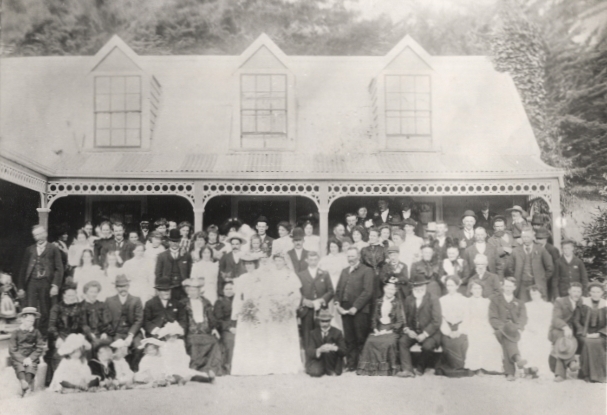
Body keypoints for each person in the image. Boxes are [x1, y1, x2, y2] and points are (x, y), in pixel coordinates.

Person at [232, 253, 303, 375]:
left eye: (251, 264)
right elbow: (238, 297)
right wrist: (239, 311)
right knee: (247, 338)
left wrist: (263, 307)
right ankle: (244, 368)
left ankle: (269, 366)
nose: (249, 266)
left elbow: (265, 295)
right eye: (247, 264)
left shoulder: (264, 277)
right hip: (247, 311)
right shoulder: (242, 278)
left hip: (266, 310)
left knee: (264, 338)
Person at [18, 224, 64, 337]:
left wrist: (55, 285)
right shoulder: (29, 250)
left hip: (46, 283)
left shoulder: (53, 249)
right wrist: (21, 287)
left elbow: (59, 268)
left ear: (45, 234)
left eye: (40, 233)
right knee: (30, 309)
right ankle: (29, 334)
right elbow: (23, 270)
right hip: (32, 283)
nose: (39, 237)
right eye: (36, 235)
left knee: (45, 310)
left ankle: (42, 335)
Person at [489, 277, 537, 381]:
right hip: (500, 330)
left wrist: (519, 328)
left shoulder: (520, 303)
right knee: (507, 336)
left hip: (514, 330)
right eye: (506, 286)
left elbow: (523, 318)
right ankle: (517, 359)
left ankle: (510, 373)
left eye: (510, 286)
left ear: (514, 287)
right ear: (502, 286)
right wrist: (503, 328)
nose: (508, 288)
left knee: (509, 338)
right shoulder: (495, 300)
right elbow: (492, 318)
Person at [335, 247, 375, 372]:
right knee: (349, 337)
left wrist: (355, 307)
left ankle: (363, 364)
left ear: (358, 256)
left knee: (360, 337)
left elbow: (367, 292)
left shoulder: (367, 270)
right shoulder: (344, 271)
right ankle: (351, 364)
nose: (350, 259)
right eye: (348, 256)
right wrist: (337, 304)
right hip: (345, 309)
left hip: (360, 310)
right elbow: (338, 290)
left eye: (352, 256)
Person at [397, 273, 442, 378]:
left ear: (425, 286)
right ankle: (407, 369)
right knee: (402, 342)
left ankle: (420, 367)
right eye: (416, 287)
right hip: (414, 331)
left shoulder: (433, 299)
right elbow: (404, 319)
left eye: (421, 286)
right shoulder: (409, 299)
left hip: (431, 333)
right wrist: (408, 330)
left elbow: (436, 321)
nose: (419, 289)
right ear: (413, 287)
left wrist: (425, 334)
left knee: (427, 346)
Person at [357, 279, 404, 376]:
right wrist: (375, 329)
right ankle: (371, 369)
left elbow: (400, 321)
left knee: (388, 342)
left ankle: (387, 369)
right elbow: (374, 318)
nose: (390, 291)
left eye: (392, 289)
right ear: (384, 289)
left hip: (392, 329)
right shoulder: (378, 301)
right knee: (370, 341)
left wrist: (389, 329)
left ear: (395, 291)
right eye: (388, 288)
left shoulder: (397, 303)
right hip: (379, 328)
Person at [179, 278, 223, 376]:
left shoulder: (206, 302)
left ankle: (211, 369)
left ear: (199, 291)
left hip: (205, 331)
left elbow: (211, 317)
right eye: (191, 290)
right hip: (191, 332)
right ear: (187, 291)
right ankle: (195, 369)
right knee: (193, 343)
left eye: (195, 290)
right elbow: (182, 320)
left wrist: (214, 328)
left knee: (214, 342)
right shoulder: (183, 303)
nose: (193, 292)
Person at [462, 281, 503, 375]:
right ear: (471, 290)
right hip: (472, 326)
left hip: (485, 326)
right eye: (475, 288)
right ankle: (478, 367)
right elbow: (466, 317)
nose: (477, 290)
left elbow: (488, 318)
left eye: (479, 288)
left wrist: (486, 327)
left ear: (482, 290)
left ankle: (491, 367)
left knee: (492, 341)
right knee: (476, 341)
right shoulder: (467, 301)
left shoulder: (487, 302)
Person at [297, 251, 334, 351]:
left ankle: (322, 361)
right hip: (306, 311)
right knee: (307, 336)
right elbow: (297, 292)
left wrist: (322, 300)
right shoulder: (301, 275)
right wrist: (304, 301)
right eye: (311, 260)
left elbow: (331, 291)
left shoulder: (324, 274)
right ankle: (310, 363)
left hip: (321, 311)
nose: (313, 262)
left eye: (315, 260)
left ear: (318, 260)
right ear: (307, 260)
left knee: (321, 334)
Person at [436, 276, 472, 378]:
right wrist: (448, 332)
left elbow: (467, 317)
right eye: (448, 285)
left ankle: (460, 366)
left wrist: (459, 331)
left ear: (457, 286)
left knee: (461, 342)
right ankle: (453, 366)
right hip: (447, 329)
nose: (449, 288)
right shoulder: (442, 300)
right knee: (448, 342)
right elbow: (441, 318)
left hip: (460, 328)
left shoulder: (464, 300)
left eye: (452, 285)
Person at [105, 275, 144, 369]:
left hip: (132, 332)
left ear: (128, 286)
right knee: (114, 347)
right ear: (116, 288)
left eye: (124, 286)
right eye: (119, 287)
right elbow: (106, 320)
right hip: (116, 332)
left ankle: (134, 370)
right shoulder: (109, 301)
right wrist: (115, 335)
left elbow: (139, 319)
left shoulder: (136, 300)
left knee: (139, 346)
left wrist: (130, 335)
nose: (122, 289)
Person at [48, 284, 88, 372]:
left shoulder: (80, 308)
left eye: (73, 295)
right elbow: (51, 326)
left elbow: (84, 325)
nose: (72, 297)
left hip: (75, 336)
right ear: (64, 295)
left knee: (84, 350)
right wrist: (57, 338)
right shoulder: (57, 308)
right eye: (69, 295)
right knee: (58, 354)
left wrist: (84, 337)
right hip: (61, 336)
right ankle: (60, 380)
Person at [548, 283, 583, 382]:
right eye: (574, 291)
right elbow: (555, 319)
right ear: (569, 291)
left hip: (574, 331)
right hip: (558, 329)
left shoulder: (581, 302)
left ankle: (567, 368)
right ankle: (567, 367)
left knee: (572, 338)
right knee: (562, 339)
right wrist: (565, 327)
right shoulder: (560, 301)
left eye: (579, 291)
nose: (576, 294)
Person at [574, 282, 607, 383]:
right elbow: (576, 320)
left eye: (598, 292)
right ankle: (586, 374)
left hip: (601, 334)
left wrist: (600, 333)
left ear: (602, 293)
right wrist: (584, 333)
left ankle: (597, 374)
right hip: (585, 332)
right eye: (593, 291)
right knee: (587, 342)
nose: (595, 294)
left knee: (597, 342)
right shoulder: (583, 303)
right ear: (589, 292)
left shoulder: (605, 304)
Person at [9, 307, 46, 396]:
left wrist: (30, 358)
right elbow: (12, 349)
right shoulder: (16, 332)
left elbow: (39, 347)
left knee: (31, 367)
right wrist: (22, 359)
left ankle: (27, 385)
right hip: (18, 356)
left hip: (31, 355)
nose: (30, 323)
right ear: (22, 320)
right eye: (28, 320)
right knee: (19, 366)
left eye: (32, 321)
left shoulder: (36, 332)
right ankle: (23, 382)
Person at [511, 228, 554, 302]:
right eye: (524, 237)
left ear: (532, 237)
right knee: (523, 307)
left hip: (537, 285)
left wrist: (542, 278)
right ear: (521, 238)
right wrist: (516, 278)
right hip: (522, 286)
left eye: (528, 237)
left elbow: (550, 267)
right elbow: (510, 268)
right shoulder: (515, 251)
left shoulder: (541, 250)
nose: (526, 239)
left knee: (538, 306)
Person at [519, 285, 552, 377]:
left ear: (541, 294)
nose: (533, 296)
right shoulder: (527, 305)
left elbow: (549, 320)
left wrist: (541, 329)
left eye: (535, 293)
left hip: (543, 328)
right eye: (531, 294)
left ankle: (538, 367)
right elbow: (525, 319)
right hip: (530, 328)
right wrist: (530, 328)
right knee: (526, 337)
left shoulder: (548, 305)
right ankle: (528, 366)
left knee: (542, 340)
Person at [305, 308, 346, 377]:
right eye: (322, 321)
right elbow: (309, 350)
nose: (324, 324)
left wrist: (334, 348)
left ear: (330, 321)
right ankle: (322, 369)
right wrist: (319, 350)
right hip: (319, 359)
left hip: (333, 360)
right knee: (315, 373)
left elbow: (344, 351)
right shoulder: (313, 333)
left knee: (332, 372)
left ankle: (330, 370)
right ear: (319, 321)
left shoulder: (337, 332)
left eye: (327, 321)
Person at [318, 238, 347, 331]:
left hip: (340, 285)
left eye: (335, 246)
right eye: (331, 246)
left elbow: (346, 273)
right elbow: (319, 273)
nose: (333, 248)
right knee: (329, 308)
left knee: (338, 307)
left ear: (338, 247)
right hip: (328, 286)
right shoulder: (324, 259)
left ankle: (340, 330)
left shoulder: (343, 258)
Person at [155, 229, 192, 301]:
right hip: (168, 288)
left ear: (180, 241)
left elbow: (190, 272)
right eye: (172, 241)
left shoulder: (186, 255)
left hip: (182, 289)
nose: (174, 243)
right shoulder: (162, 256)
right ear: (169, 241)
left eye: (177, 241)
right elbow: (158, 274)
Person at [81, 281, 112, 347]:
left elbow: (106, 321)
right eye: (91, 292)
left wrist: (105, 332)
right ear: (86, 292)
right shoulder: (82, 306)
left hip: (100, 334)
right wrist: (89, 334)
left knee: (109, 342)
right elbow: (83, 324)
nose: (93, 294)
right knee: (94, 344)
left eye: (95, 292)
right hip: (87, 334)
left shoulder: (102, 305)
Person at [214, 282, 235, 374]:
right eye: (227, 289)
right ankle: (228, 365)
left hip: (239, 327)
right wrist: (229, 328)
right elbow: (218, 320)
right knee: (230, 340)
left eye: (231, 288)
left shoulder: (239, 300)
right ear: (223, 291)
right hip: (226, 328)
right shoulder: (219, 302)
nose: (229, 291)